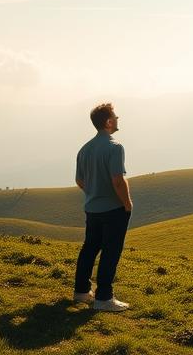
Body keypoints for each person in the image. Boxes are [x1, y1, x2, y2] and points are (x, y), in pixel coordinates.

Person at [73, 102, 133, 311]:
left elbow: (79, 181)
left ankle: (81, 292)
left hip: (92, 208)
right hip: (113, 209)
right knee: (111, 251)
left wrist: (94, 193)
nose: (117, 119)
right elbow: (118, 180)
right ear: (108, 122)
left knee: (89, 248)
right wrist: (127, 203)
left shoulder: (85, 149)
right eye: (115, 116)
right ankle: (104, 298)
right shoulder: (115, 147)